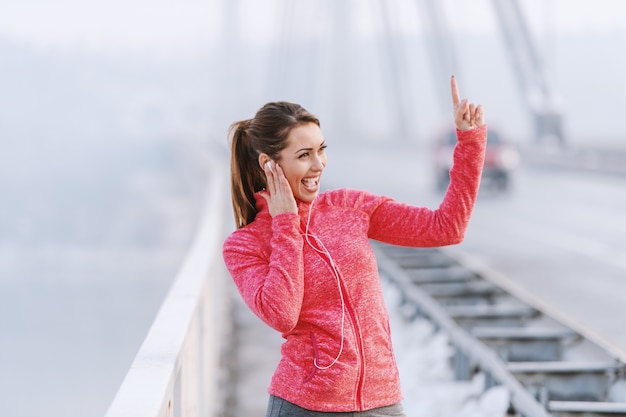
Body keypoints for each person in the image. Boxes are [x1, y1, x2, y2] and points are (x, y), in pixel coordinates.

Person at [222, 76, 486, 417]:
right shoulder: (245, 245)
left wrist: (470, 143)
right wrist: (286, 224)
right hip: (305, 406)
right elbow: (282, 314)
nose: (319, 165)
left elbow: (446, 228)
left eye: (321, 150)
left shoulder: (349, 207)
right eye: (304, 155)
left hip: (383, 401)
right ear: (269, 165)